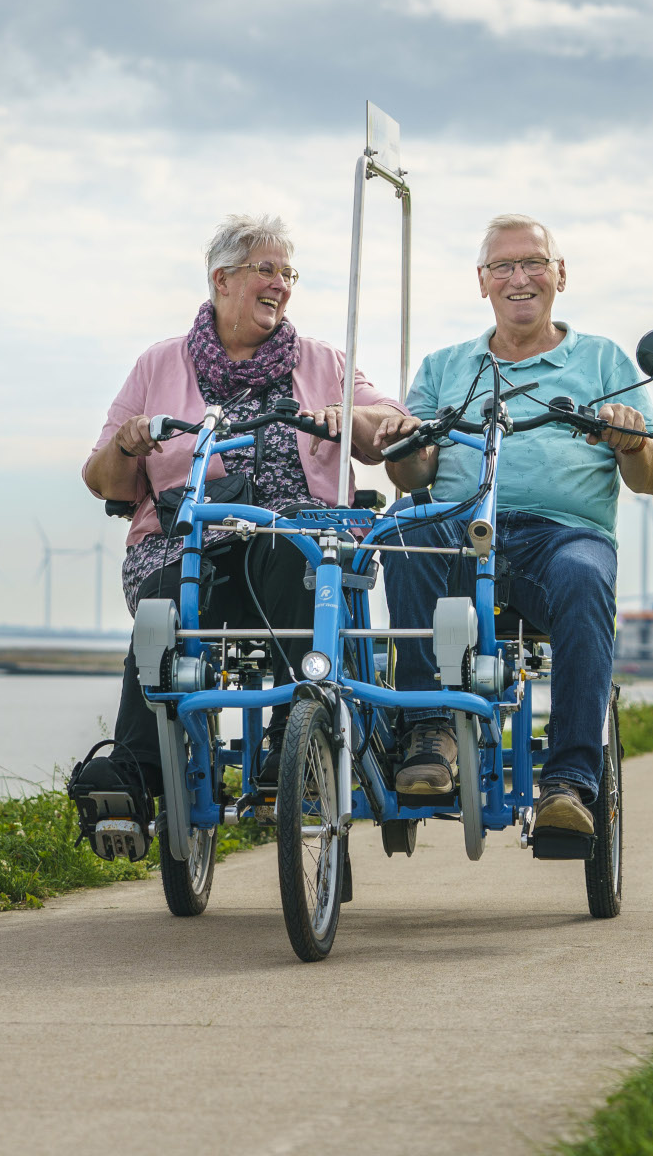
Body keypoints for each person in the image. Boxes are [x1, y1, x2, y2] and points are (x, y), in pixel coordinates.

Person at [71, 214, 404, 850]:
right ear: (222, 280)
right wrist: (128, 440)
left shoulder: (326, 362)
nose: (280, 283)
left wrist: (351, 419)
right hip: (187, 541)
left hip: (291, 544)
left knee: (295, 549)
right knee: (163, 608)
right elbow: (105, 481)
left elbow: (391, 424)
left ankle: (292, 737)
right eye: (266, 269)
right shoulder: (158, 364)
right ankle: (137, 773)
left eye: (287, 272)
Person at [375, 213, 653, 838]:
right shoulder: (444, 366)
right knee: (404, 525)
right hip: (458, 527)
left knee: (584, 575)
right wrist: (405, 447)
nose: (520, 278)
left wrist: (630, 442)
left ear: (560, 274)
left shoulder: (603, 360)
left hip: (560, 535)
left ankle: (568, 783)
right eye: (502, 266)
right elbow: (411, 476)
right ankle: (429, 735)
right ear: (481, 281)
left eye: (534, 262)